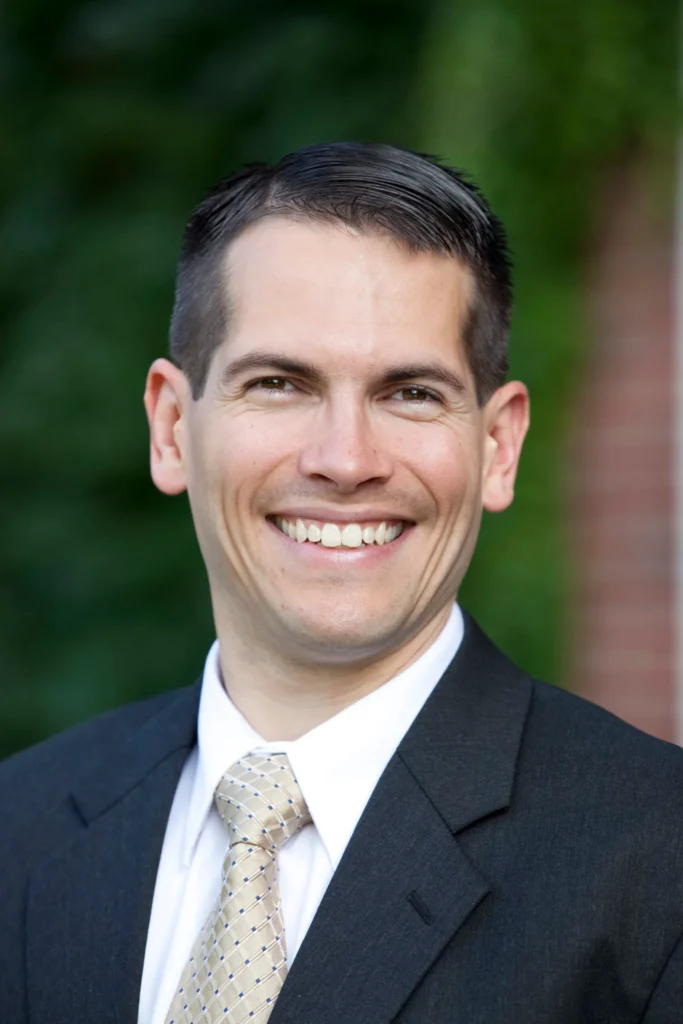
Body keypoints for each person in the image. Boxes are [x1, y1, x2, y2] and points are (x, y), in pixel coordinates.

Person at [2, 142, 683, 1024]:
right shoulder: (18, 827)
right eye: (279, 384)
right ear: (172, 429)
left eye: (410, 393)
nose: (346, 460)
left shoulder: (657, 864)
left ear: (497, 446)